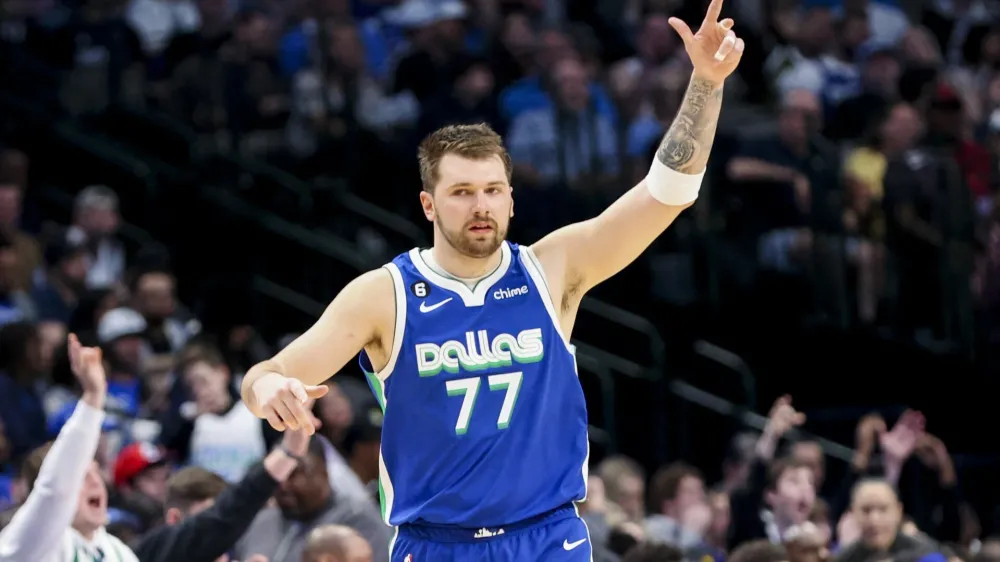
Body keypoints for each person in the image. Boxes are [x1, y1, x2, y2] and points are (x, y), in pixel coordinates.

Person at [240, 1, 745, 560]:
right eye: (461, 192)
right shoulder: (385, 294)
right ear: (429, 205)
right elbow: (266, 375)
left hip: (548, 536)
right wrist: (270, 390)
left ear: (510, 198)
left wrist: (706, 81)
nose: (480, 206)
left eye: (492, 190)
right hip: (437, 543)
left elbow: (668, 192)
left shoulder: (551, 269)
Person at [0, 335, 139, 562]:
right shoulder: (30, 544)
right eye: (82, 476)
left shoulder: (119, 552)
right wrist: (93, 397)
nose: (96, 483)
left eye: (96, 473)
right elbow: (55, 489)